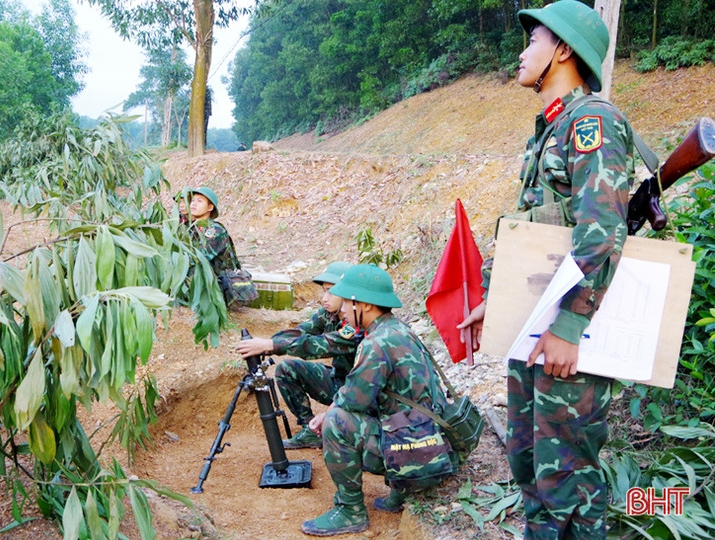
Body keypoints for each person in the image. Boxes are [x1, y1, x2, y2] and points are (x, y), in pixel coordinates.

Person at [458, 2, 635, 538]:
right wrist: (501, 297)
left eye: (531, 40)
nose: (520, 52)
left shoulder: (593, 123)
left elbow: (601, 231)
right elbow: (540, 235)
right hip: (535, 328)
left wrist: (568, 324)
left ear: (562, 49)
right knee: (530, 465)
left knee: (569, 485)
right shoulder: (551, 131)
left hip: (565, 336)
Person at [301, 264, 456, 536]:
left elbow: (352, 401)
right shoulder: (398, 329)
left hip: (421, 457)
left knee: (337, 422)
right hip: (436, 444)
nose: (344, 311)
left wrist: (327, 415)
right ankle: (400, 491)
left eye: (348, 304)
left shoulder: (376, 343)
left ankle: (351, 511)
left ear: (366, 306)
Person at [234, 261, 358, 449]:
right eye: (324, 291)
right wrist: (269, 345)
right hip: (340, 382)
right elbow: (301, 332)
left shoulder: (355, 325)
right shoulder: (328, 314)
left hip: (359, 393)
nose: (325, 298)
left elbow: (319, 345)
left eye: (331, 291)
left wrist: (271, 345)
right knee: (286, 369)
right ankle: (311, 429)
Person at [177, 186, 243, 303]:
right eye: (192, 200)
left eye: (199, 201)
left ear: (210, 207)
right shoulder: (192, 228)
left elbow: (197, 259)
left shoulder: (215, 231)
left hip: (220, 285)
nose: (193, 204)